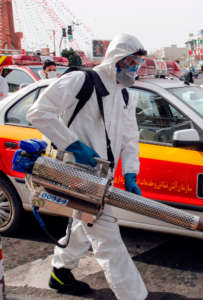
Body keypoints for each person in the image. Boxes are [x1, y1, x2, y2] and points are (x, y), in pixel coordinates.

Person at [27, 33, 148, 300]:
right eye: (131, 63)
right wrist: (74, 146)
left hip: (102, 178)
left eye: (139, 64)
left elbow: (130, 138)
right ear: (117, 59)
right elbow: (38, 112)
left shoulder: (125, 95)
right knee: (108, 241)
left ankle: (60, 271)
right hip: (77, 175)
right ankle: (134, 295)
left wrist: (130, 172)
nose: (135, 70)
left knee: (85, 222)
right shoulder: (81, 80)